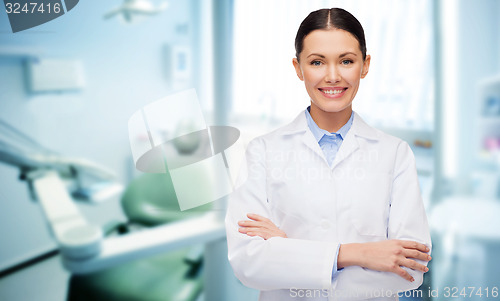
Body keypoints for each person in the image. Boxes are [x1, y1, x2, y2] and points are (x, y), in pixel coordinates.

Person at [225, 7, 432, 301]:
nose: (332, 76)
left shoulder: (395, 154)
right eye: (317, 62)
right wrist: (356, 253)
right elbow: (248, 264)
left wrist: (288, 252)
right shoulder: (262, 151)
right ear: (298, 68)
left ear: (365, 65)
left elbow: (411, 269)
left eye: (346, 61)